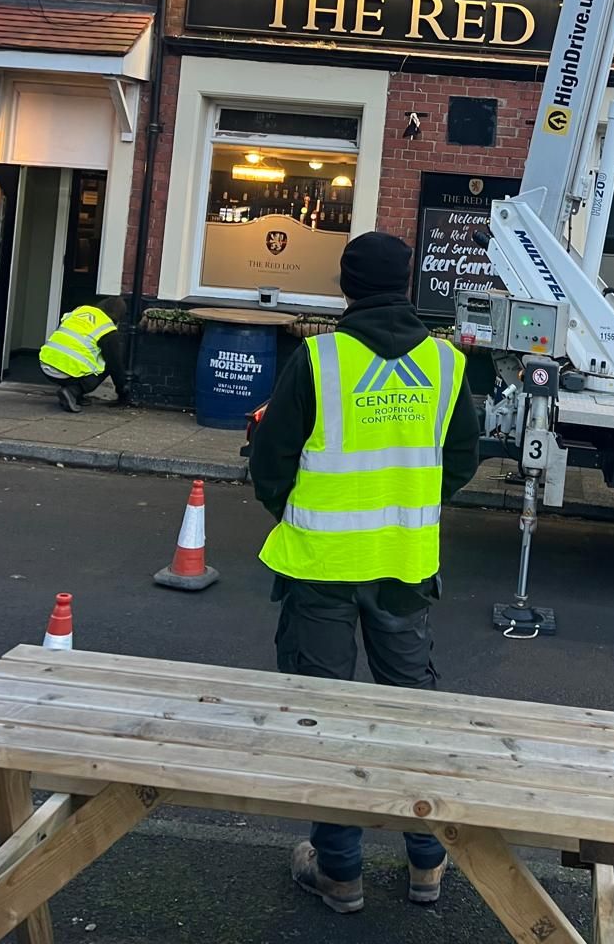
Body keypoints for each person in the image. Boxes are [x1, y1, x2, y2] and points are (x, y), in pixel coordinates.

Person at [250, 232, 480, 915]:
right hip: (403, 571)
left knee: (327, 717)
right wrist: (411, 504)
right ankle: (426, 865)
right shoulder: (442, 365)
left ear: (345, 285)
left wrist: (297, 510)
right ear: (408, 283)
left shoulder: (319, 359)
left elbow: (271, 461)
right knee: (409, 714)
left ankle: (340, 871)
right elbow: (461, 458)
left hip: (320, 567)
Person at [39, 295, 129, 414]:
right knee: (107, 364)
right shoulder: (108, 328)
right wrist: (122, 390)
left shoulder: (79, 311)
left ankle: (77, 395)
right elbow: (115, 365)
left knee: (87, 354)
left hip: (46, 364)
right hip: (66, 370)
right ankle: (73, 391)